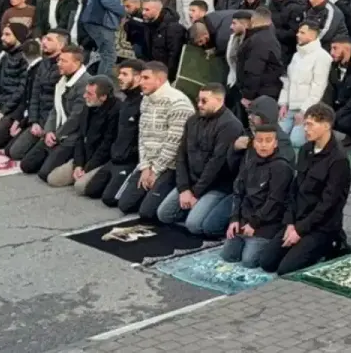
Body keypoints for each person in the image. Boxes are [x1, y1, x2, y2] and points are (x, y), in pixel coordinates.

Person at [258, 103, 351, 274]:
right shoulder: (305, 149)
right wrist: (290, 224)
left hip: (321, 227)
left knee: (285, 269)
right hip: (298, 220)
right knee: (266, 262)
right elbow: (294, 190)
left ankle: (332, 245)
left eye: (310, 125)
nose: (305, 129)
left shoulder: (338, 160)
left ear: (326, 125)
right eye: (305, 124)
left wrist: (300, 230)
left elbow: (329, 204)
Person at [156, 84, 243, 237]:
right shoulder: (192, 121)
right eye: (198, 100)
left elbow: (217, 164)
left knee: (194, 225)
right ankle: (195, 208)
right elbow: (181, 155)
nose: (199, 105)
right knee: (164, 214)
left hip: (217, 185)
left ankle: (210, 210)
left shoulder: (230, 125)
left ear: (219, 100)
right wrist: (184, 188)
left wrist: (195, 193)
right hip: (191, 180)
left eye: (204, 101)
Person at [117, 62, 195, 219]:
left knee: (147, 213)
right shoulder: (146, 99)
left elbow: (173, 143)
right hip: (150, 162)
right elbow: (142, 136)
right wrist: (145, 166)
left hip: (170, 166)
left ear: (159, 80)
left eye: (146, 78)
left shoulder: (178, 103)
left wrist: (156, 170)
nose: (141, 82)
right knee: (124, 204)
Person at [222, 121, 295, 268]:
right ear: (254, 143)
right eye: (259, 141)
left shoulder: (281, 167)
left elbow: (275, 200)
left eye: (268, 141)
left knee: (249, 261)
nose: (263, 145)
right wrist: (234, 219)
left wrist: (255, 223)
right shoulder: (250, 163)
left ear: (275, 144)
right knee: (228, 256)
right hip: (246, 220)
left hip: (267, 223)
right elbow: (238, 191)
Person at [16, 45, 90, 176]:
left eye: (64, 61)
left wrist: (57, 135)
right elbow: (55, 110)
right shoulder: (62, 80)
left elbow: (75, 118)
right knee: (26, 165)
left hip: (71, 137)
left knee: (45, 174)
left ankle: (75, 162)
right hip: (55, 132)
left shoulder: (85, 83)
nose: (59, 64)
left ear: (77, 63)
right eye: (59, 60)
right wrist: (48, 131)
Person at [82, 60, 145, 203]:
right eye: (119, 74)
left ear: (137, 77)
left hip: (130, 160)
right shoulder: (126, 101)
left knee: (109, 199)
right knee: (90, 190)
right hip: (115, 157)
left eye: (124, 74)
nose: (120, 78)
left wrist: (130, 154)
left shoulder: (143, 103)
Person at [44, 74, 121, 190]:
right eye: (86, 92)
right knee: (53, 179)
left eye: (89, 94)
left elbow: (106, 145)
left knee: (80, 187)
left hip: (100, 159)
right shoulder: (88, 106)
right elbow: (80, 137)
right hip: (84, 155)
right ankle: (80, 174)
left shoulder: (116, 110)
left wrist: (88, 168)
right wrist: (78, 164)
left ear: (103, 97)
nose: (85, 96)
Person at [278, 22, 334, 148]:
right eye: (298, 31)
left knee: (295, 141)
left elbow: (318, 88)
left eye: (302, 32)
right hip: (290, 107)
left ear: (313, 35)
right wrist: (283, 104)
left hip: (307, 109)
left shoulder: (322, 57)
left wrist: (305, 111)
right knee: (279, 137)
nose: (297, 35)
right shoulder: (296, 56)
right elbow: (288, 82)